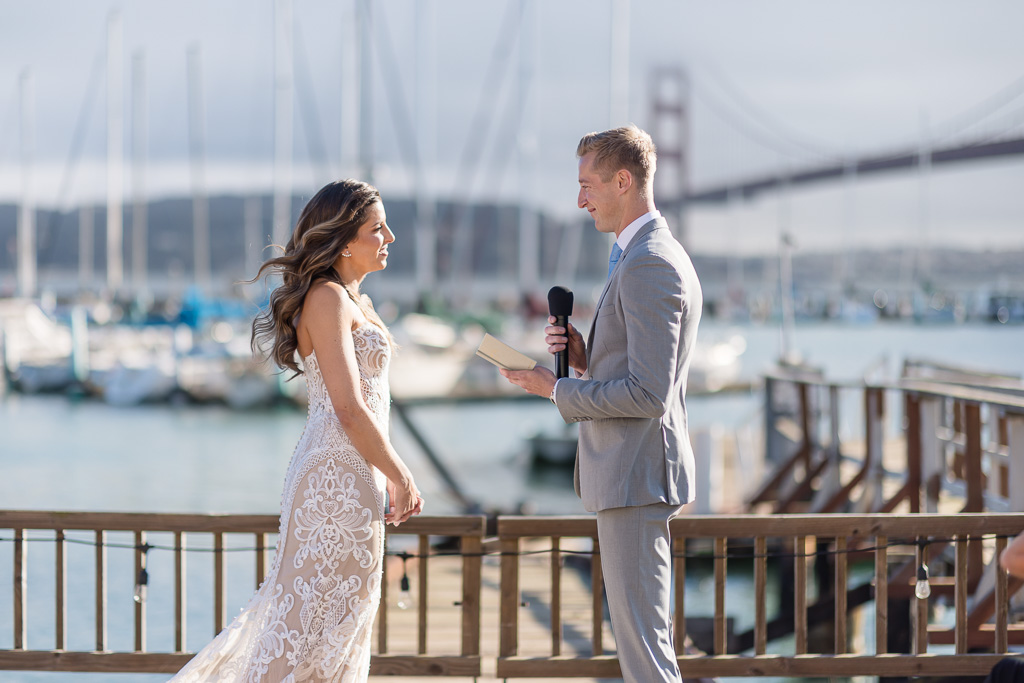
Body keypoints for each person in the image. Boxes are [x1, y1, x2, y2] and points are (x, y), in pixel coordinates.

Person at [170, 179, 423, 682]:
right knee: (300, 627)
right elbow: (349, 409)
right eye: (378, 228)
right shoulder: (326, 297)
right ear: (346, 239)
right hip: (332, 482)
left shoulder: (360, 302)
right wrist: (402, 476)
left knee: (344, 624)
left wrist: (384, 477)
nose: (390, 236)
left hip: (359, 482)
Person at [500, 124, 702, 683]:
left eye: (588, 184)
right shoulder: (645, 253)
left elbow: (648, 394)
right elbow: (639, 374)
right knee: (643, 641)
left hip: (635, 476)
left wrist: (555, 388)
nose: (579, 199)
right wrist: (588, 358)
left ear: (623, 180)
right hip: (634, 474)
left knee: (644, 651)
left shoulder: (648, 262)